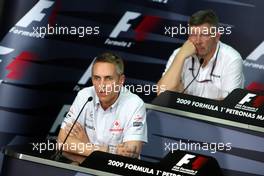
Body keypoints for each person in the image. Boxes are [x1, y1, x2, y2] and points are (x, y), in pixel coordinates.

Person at [57, 52, 147, 164]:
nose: (101, 85)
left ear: (121, 80)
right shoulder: (85, 96)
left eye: (108, 78)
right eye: (97, 78)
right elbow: (62, 142)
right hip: (84, 167)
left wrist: (85, 145)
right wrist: (109, 151)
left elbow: (129, 155)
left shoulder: (134, 104)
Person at [157, 9, 244, 99]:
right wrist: (180, 56)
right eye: (193, 34)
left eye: (204, 34)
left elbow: (229, 103)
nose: (198, 41)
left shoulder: (231, 59)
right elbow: (162, 94)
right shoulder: (179, 54)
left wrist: (185, 98)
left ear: (217, 37)